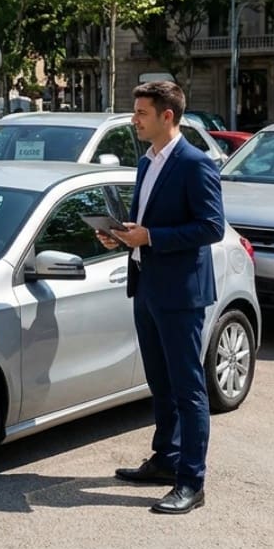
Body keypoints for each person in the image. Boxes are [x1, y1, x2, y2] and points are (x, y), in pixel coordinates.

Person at [99, 80, 224, 515]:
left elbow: (212, 227)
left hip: (181, 294)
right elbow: (145, 221)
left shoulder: (195, 164)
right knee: (160, 384)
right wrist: (121, 236)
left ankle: (191, 481)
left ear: (166, 116)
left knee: (188, 389)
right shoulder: (145, 162)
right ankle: (166, 459)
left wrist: (150, 236)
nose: (133, 120)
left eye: (141, 113)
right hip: (146, 285)